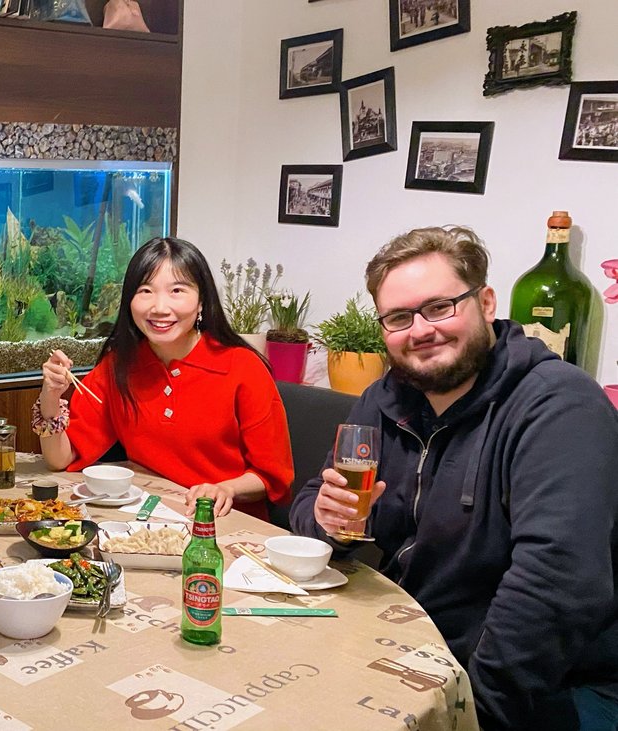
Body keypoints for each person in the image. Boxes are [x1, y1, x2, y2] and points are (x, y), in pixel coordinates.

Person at [288, 226, 618, 731]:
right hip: (415, 645)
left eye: (440, 307)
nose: (421, 330)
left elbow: (556, 586)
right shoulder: (385, 399)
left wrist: (473, 709)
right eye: (399, 318)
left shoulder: (558, 406)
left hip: (548, 684)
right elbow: (315, 498)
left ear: (485, 303)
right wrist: (327, 520)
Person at [36, 237, 294, 520]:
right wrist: (50, 395)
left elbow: (273, 477)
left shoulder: (243, 367)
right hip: (148, 515)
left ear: (201, 302)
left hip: (223, 521)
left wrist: (226, 489)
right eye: (146, 291)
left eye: (177, 291)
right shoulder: (119, 365)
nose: (159, 307)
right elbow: (59, 459)